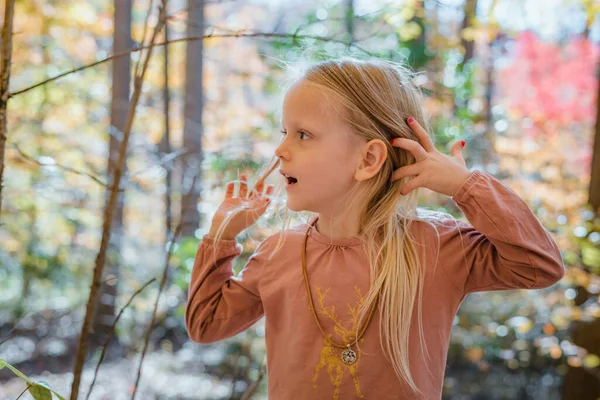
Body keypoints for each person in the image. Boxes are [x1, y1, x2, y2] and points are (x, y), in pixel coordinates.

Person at [185, 57, 564, 399]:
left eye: (302, 134)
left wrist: (465, 186)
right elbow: (206, 324)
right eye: (283, 132)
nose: (280, 150)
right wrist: (221, 235)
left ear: (368, 158)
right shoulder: (277, 252)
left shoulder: (435, 246)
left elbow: (539, 264)